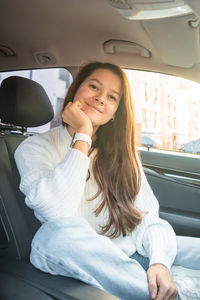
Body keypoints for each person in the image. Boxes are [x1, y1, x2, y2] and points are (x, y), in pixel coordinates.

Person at [14, 62, 200, 300]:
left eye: (112, 97)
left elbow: (149, 219)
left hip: (130, 253)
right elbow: (56, 213)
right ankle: (170, 293)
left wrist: (160, 263)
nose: (101, 98)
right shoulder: (34, 148)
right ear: (75, 92)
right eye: (93, 86)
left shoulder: (123, 155)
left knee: (181, 246)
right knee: (55, 235)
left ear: (115, 114)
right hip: (76, 254)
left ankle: (158, 285)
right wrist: (82, 133)